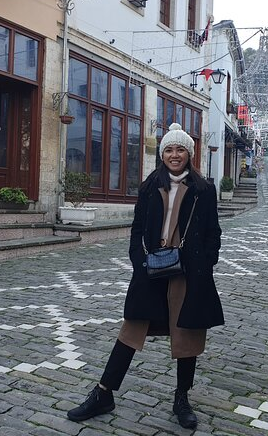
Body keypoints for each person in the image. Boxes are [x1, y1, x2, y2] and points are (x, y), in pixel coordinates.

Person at [67, 123, 224, 430]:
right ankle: (103, 393)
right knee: (131, 330)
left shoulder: (204, 190)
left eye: (180, 149)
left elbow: (212, 233)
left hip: (188, 272)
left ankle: (182, 398)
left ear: (189, 154)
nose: (174, 155)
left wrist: (206, 263)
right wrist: (139, 262)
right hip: (152, 268)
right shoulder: (150, 186)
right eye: (169, 149)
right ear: (162, 154)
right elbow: (137, 229)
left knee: (187, 334)